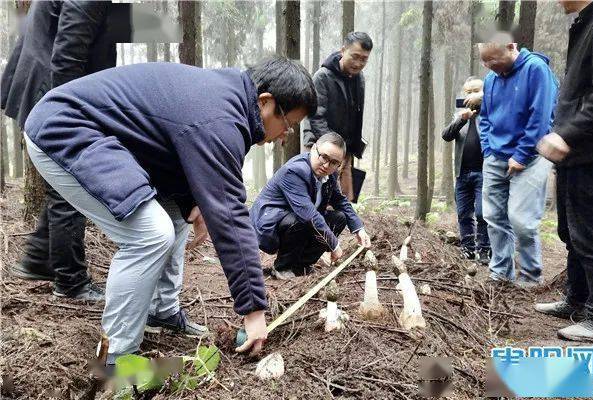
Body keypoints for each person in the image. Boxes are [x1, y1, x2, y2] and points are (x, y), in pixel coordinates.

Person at [22, 56, 317, 363]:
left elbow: (173, 147)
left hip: (106, 138)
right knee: (150, 234)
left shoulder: (224, 103)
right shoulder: (220, 118)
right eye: (289, 123)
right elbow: (230, 216)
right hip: (65, 127)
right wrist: (254, 309)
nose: (287, 135)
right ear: (265, 102)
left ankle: (160, 311)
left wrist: (194, 201)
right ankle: (117, 360)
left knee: (176, 216)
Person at [1, 0, 131, 300]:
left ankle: (38, 258)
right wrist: (67, 113)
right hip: (54, 90)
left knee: (62, 177)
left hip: (44, 84)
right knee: (71, 181)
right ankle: (70, 282)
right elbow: (68, 54)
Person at [534, 0, 593, 341]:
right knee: (572, 232)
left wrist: (566, 134)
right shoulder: (583, 23)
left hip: (589, 152)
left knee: (591, 234)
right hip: (573, 155)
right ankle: (576, 298)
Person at [478, 33, 557, 287]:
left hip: (531, 157)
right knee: (493, 217)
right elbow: (486, 117)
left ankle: (531, 277)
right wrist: (488, 149)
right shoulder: (491, 79)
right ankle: (500, 272)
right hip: (496, 157)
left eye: (494, 59)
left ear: (511, 47)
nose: (490, 66)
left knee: (522, 220)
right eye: (485, 61)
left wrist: (521, 155)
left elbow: (541, 118)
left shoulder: (536, 69)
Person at [250, 133, 371, 279]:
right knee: (303, 219)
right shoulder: (294, 171)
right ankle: (283, 267)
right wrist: (334, 245)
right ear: (313, 149)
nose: (326, 165)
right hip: (270, 225)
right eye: (324, 157)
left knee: (339, 218)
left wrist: (359, 229)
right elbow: (307, 214)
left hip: (296, 220)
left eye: (333, 162)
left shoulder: (330, 174)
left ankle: (301, 266)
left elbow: (340, 200)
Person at [303, 32, 372, 202]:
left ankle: (340, 227)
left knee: (344, 197)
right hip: (319, 146)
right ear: (343, 50)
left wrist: (350, 147)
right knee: (314, 193)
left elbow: (357, 114)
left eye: (364, 59)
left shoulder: (359, 78)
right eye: (355, 56)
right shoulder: (322, 77)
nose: (358, 63)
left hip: (345, 148)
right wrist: (332, 150)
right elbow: (316, 117)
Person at [441, 77, 490, 263]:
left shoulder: (488, 114)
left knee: (482, 213)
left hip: (483, 173)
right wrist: (461, 119)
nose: (470, 96)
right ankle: (468, 249)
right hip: (462, 174)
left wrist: (482, 104)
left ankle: (484, 249)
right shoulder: (460, 116)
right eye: (467, 92)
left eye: (475, 91)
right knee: (464, 213)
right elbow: (446, 135)